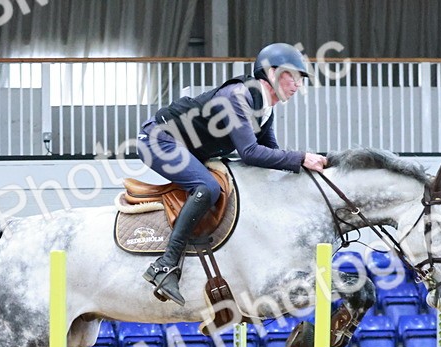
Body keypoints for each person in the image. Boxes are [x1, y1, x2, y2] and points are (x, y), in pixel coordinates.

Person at [136, 42, 328, 305]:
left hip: (186, 147)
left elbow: (269, 156)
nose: (297, 85)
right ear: (271, 73)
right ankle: (165, 265)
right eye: (292, 76)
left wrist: (301, 170)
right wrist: (302, 157)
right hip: (158, 140)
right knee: (208, 188)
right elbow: (249, 152)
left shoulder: (265, 109)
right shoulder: (237, 96)